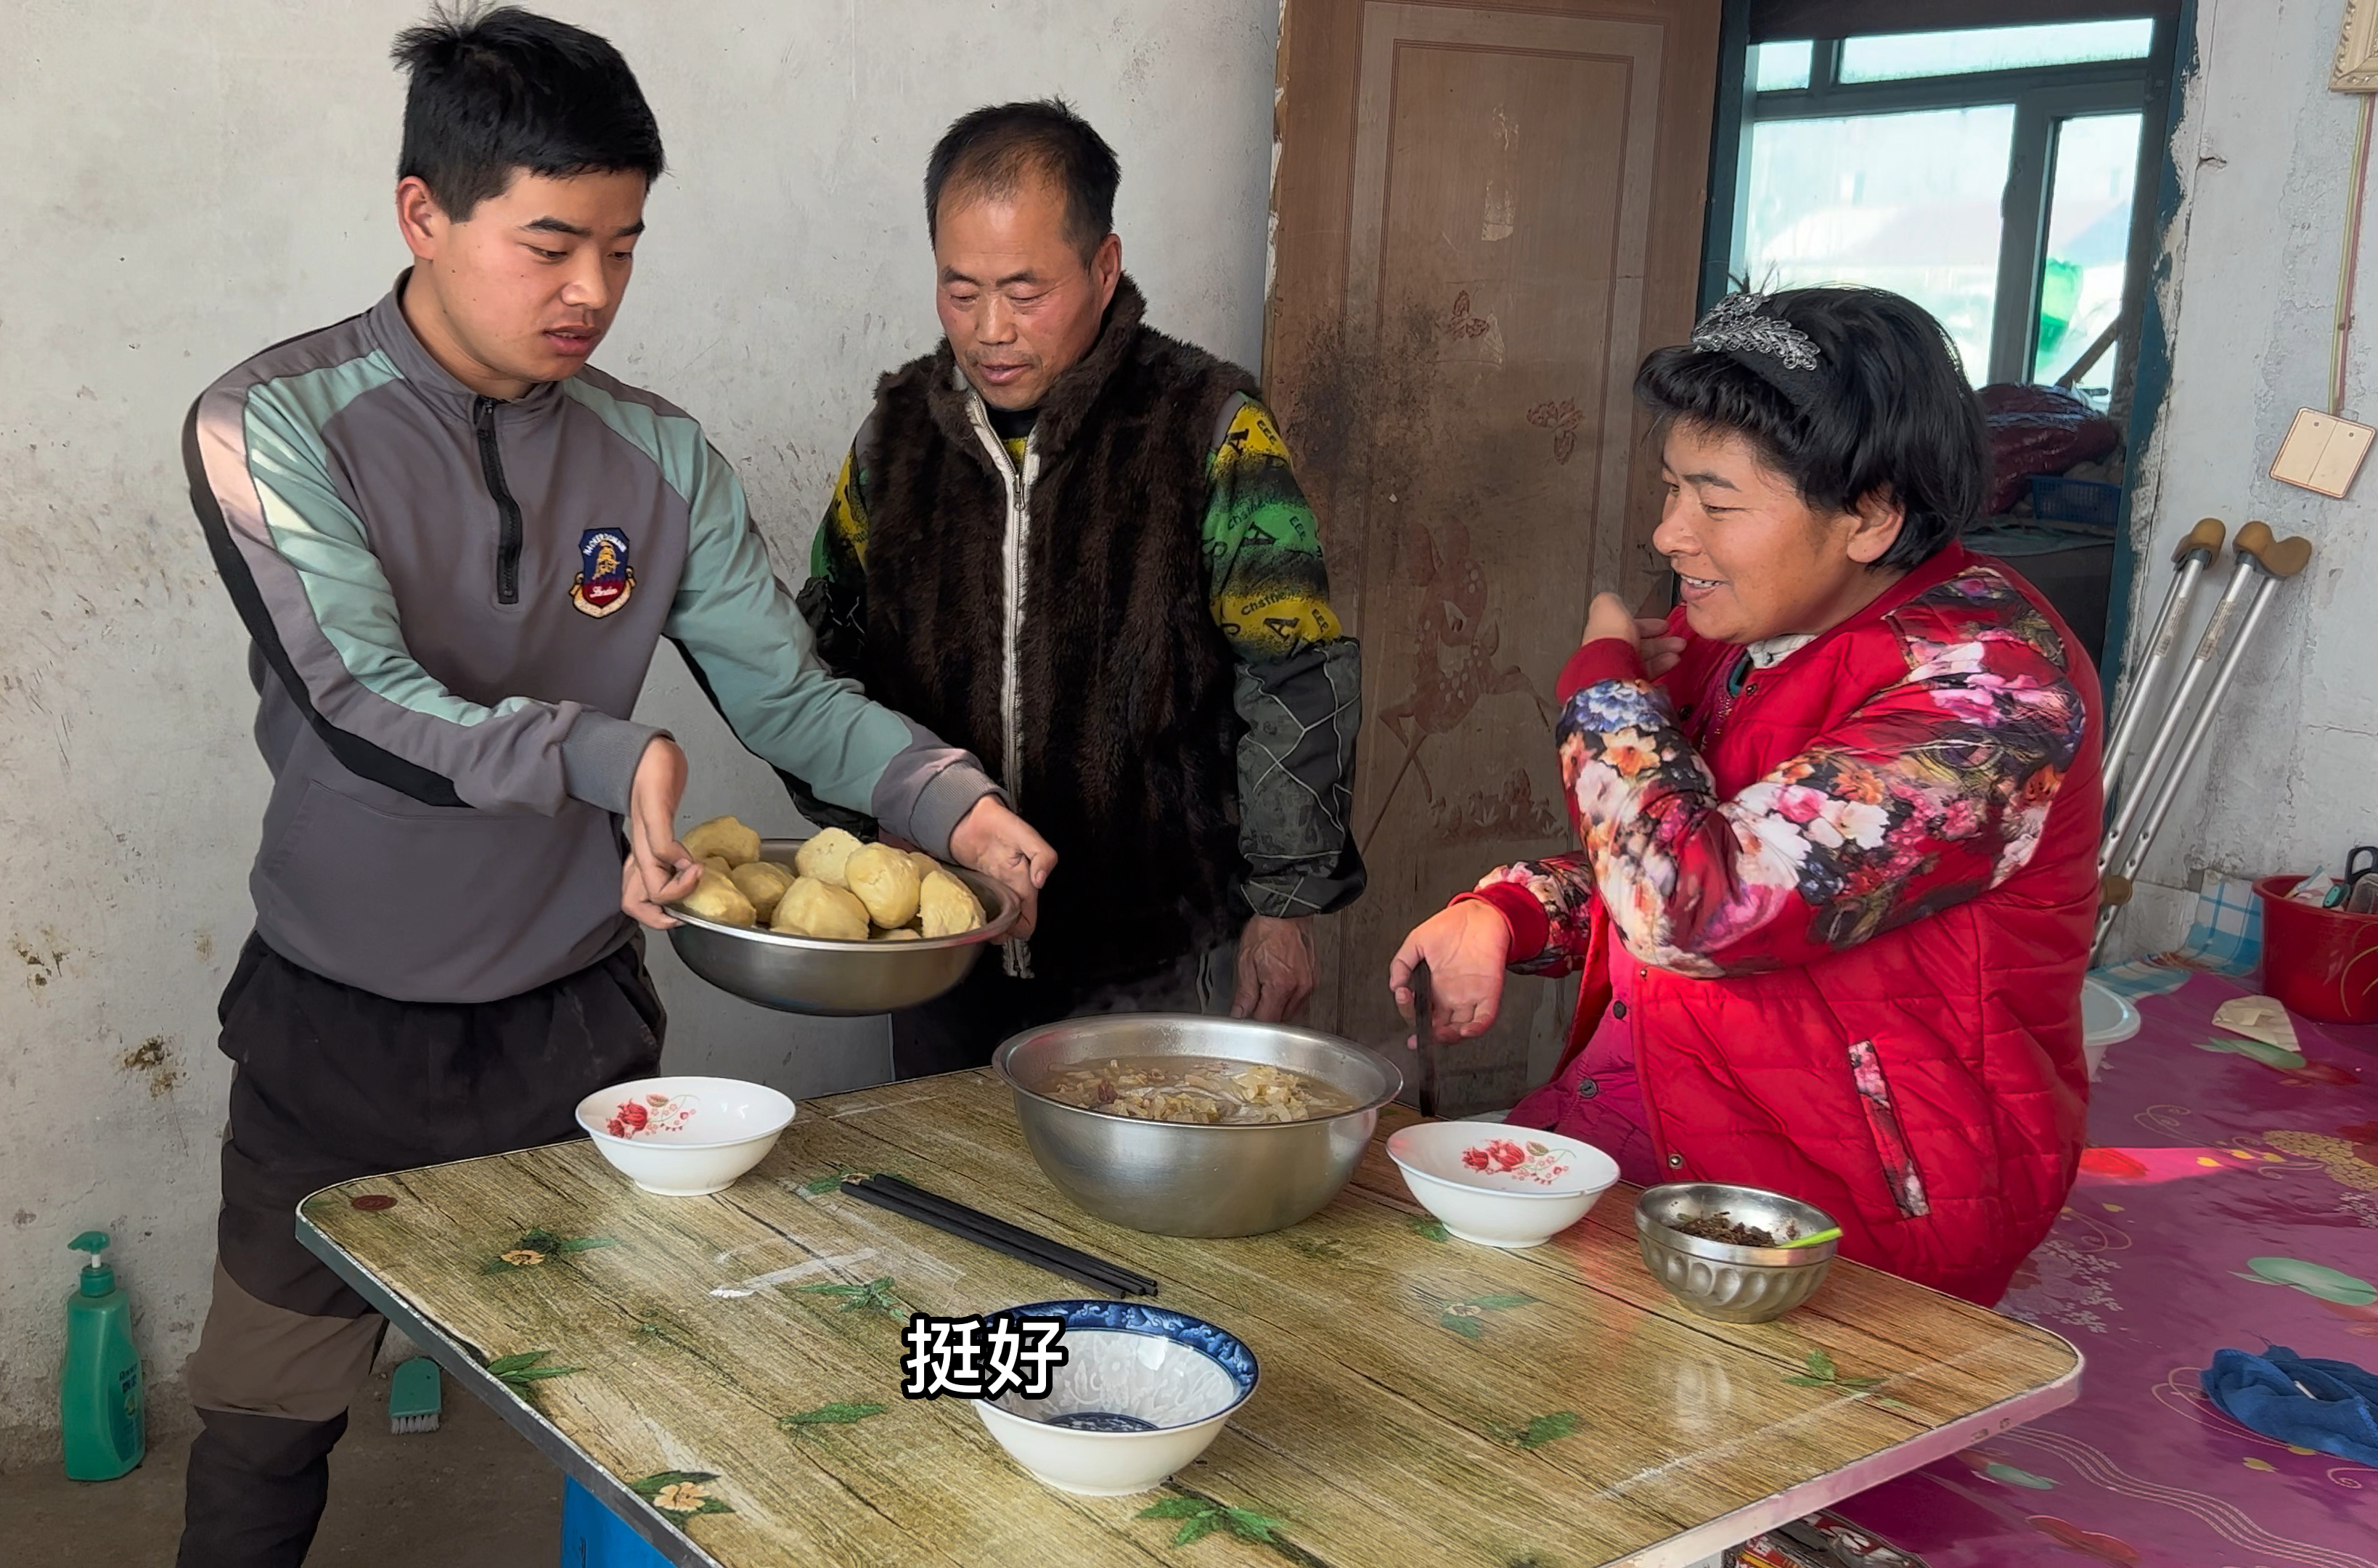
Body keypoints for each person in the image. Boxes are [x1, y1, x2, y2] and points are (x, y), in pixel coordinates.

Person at [174, 12, 1053, 1564]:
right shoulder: (273, 424)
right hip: (337, 1027)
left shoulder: (656, 458)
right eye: (552, 243)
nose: (594, 292)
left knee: (648, 1401)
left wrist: (946, 800)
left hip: (574, 1022)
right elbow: (361, 693)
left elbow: (783, 695)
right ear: (423, 215)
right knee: (264, 1417)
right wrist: (608, 749)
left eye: (627, 248)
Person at [1389, 287, 2102, 1305]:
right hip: (1665, 1112)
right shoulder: (1763, 633)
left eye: (1716, 503)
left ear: (1870, 515)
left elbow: (1695, 908)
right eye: (1672, 488)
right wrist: (1506, 913)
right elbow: (1703, 840)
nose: (1670, 535)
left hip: (1840, 1214)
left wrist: (1605, 686)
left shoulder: (1987, 692)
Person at [797, 101, 1363, 1074]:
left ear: (1103, 267)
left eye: (1025, 290)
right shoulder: (894, 442)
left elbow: (1293, 674)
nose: (992, 331)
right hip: (946, 937)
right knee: (953, 1193)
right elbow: (819, 650)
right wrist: (870, 835)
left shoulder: (1209, 430)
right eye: (961, 290)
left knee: (1142, 1200)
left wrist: (1285, 906)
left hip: (1151, 946)